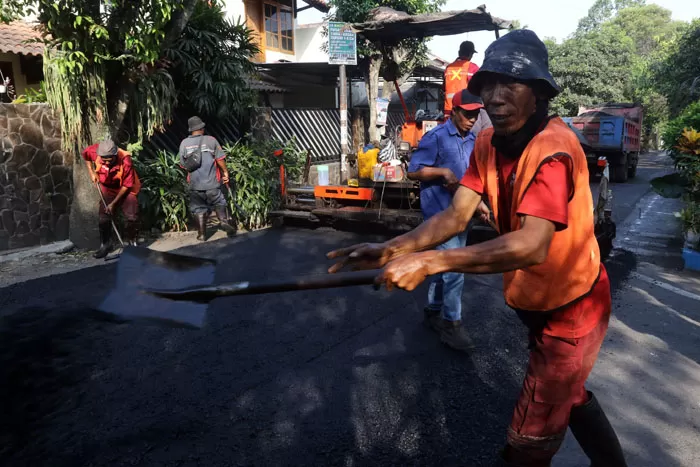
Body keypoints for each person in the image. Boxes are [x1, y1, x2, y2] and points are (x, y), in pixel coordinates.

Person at [327, 29, 627, 466]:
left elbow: (531, 245)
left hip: (573, 309)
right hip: (538, 303)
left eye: (512, 84)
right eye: (488, 85)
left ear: (540, 93)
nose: (496, 96)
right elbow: (455, 216)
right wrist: (392, 248)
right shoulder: (488, 143)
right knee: (571, 396)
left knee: (528, 439)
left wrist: (429, 261)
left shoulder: (554, 150)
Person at [407, 89, 488, 352]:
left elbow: (471, 180)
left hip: (462, 212)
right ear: (454, 112)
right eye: (467, 114)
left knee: (443, 267)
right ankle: (451, 325)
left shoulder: (472, 140)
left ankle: (432, 312)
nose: (472, 119)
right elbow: (413, 172)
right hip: (440, 215)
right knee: (455, 269)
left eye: (476, 114)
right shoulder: (437, 138)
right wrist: (443, 171)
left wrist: (479, 203)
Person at [178, 116, 236, 241]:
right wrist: (225, 172)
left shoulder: (184, 143)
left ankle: (202, 234)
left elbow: (183, 165)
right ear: (202, 128)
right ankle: (223, 221)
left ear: (191, 129)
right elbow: (220, 160)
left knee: (199, 208)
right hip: (212, 183)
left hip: (195, 185)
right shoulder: (211, 140)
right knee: (219, 202)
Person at [82, 139, 141, 259]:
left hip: (125, 188)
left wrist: (113, 204)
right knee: (103, 217)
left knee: (132, 217)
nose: (106, 163)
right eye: (104, 160)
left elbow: (127, 185)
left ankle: (132, 242)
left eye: (109, 160)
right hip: (108, 187)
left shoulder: (126, 160)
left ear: (115, 155)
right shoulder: (94, 151)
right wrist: (92, 172)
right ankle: (105, 244)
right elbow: (86, 156)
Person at [443, 41, 480, 114]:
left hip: (449, 109)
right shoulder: (473, 68)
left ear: (459, 52)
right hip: (465, 110)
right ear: (470, 54)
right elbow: (478, 89)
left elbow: (444, 88)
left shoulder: (448, 68)